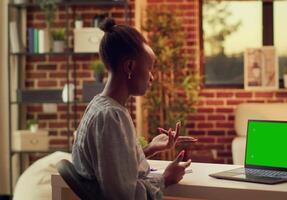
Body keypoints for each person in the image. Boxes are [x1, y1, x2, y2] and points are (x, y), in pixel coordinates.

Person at [72, 18, 197, 200]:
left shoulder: (99, 106)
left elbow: (112, 166)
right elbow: (124, 195)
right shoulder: (110, 117)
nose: (152, 77)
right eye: (149, 68)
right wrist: (165, 179)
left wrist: (149, 149)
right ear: (129, 66)